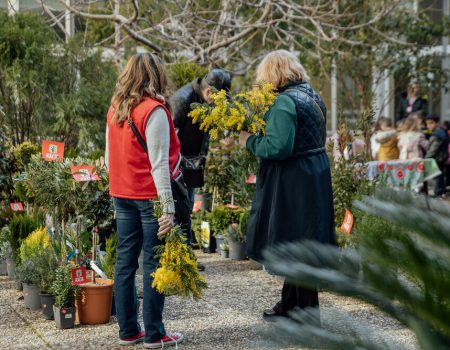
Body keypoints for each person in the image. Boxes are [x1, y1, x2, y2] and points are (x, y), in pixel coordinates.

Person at [239, 50, 335, 322]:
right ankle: (290, 305)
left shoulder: (283, 102)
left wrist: (248, 139)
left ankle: (306, 315)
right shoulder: (312, 95)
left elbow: (278, 147)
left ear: (272, 74)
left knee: (296, 240)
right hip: (313, 173)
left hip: (294, 179)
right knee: (302, 237)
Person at [105, 53, 184, 348]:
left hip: (121, 194)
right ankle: (154, 333)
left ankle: (128, 331)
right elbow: (159, 165)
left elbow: (108, 157)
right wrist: (168, 209)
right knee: (152, 262)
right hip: (149, 197)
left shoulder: (116, 109)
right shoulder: (154, 111)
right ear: (157, 75)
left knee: (125, 262)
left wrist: (116, 191)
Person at [170, 69, 231, 247]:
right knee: (179, 210)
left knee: (187, 209)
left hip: (192, 163)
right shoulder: (182, 100)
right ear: (209, 92)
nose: (219, 105)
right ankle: (182, 255)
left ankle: (186, 252)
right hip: (177, 167)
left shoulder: (204, 98)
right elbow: (169, 137)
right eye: (219, 100)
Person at [425, 114, 450, 198]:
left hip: (438, 158)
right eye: (427, 124)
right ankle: (440, 191)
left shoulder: (438, 134)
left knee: (438, 176)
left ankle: (439, 192)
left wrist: (426, 158)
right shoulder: (441, 132)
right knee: (439, 175)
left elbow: (433, 149)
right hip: (441, 157)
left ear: (437, 123)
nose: (429, 126)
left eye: (431, 123)